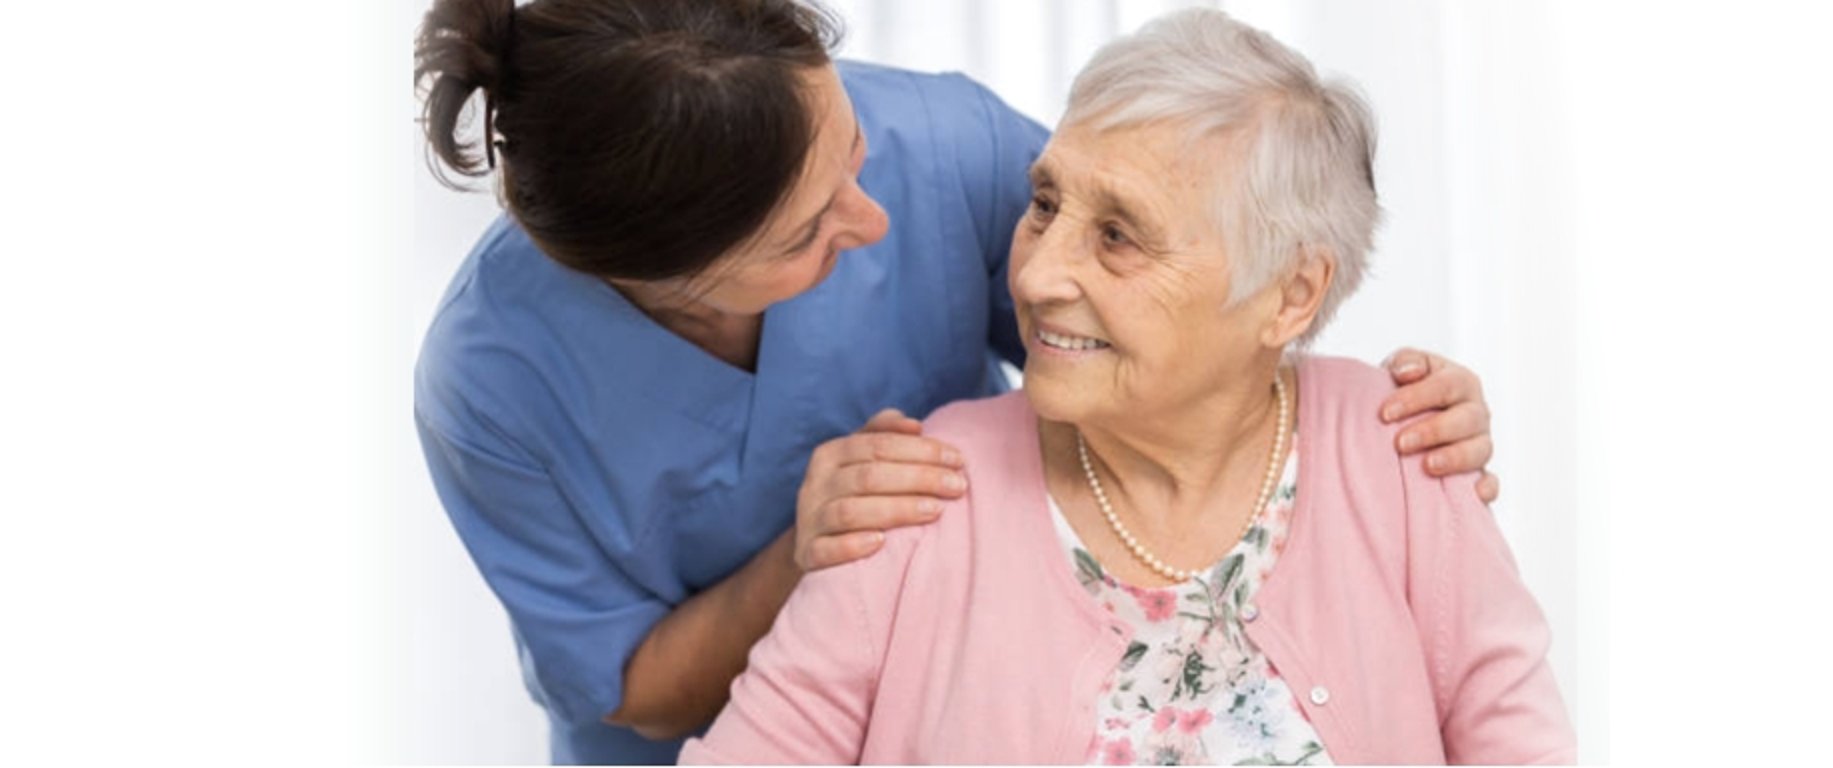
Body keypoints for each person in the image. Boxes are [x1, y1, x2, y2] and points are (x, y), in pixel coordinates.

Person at [412, 0, 1504, 763]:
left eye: (851, 150)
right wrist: (811, 551)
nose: (878, 217)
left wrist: (1370, 428)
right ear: (661, 279)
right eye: (812, 231)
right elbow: (633, 692)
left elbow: (1197, 300)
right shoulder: (493, 381)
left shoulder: (941, 144)